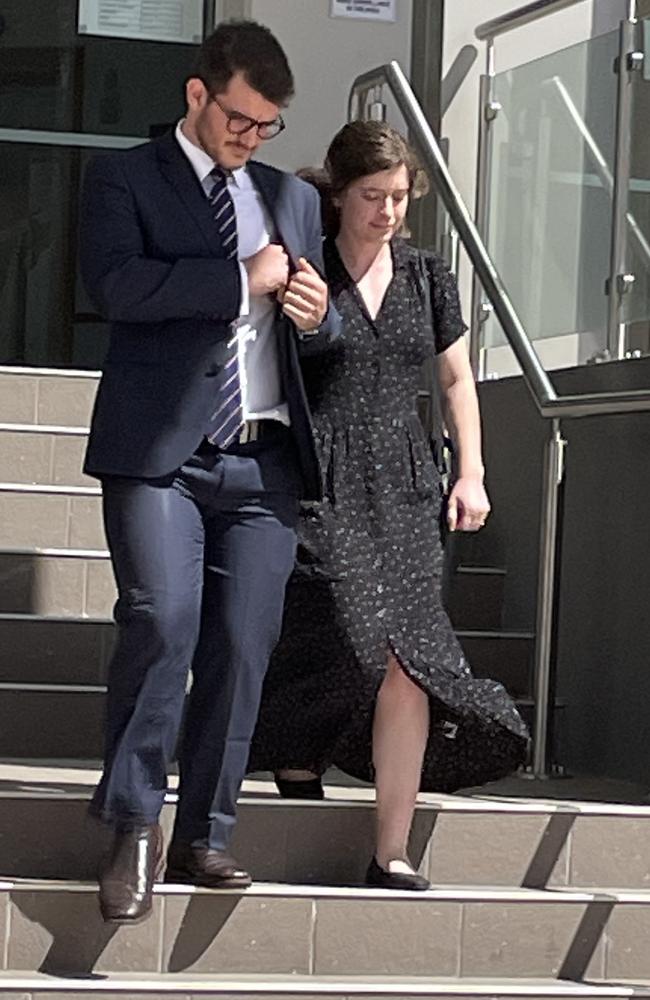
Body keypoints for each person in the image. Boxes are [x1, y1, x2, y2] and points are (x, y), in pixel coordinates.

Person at [79, 19, 339, 924]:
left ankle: (206, 832)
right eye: (240, 119)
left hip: (261, 462)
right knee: (163, 619)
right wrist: (241, 278)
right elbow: (114, 287)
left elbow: (325, 326)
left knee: (244, 643)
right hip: (162, 454)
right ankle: (132, 828)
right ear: (198, 94)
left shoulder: (292, 199)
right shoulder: (122, 177)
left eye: (268, 126)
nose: (252, 138)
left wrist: (314, 314)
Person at [249, 121, 528, 890]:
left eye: (400, 198)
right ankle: (297, 743)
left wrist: (470, 471)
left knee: (409, 665)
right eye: (372, 196)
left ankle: (390, 850)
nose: (387, 211)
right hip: (321, 473)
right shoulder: (305, 270)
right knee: (346, 633)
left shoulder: (429, 277)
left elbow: (454, 382)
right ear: (338, 194)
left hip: (407, 482)